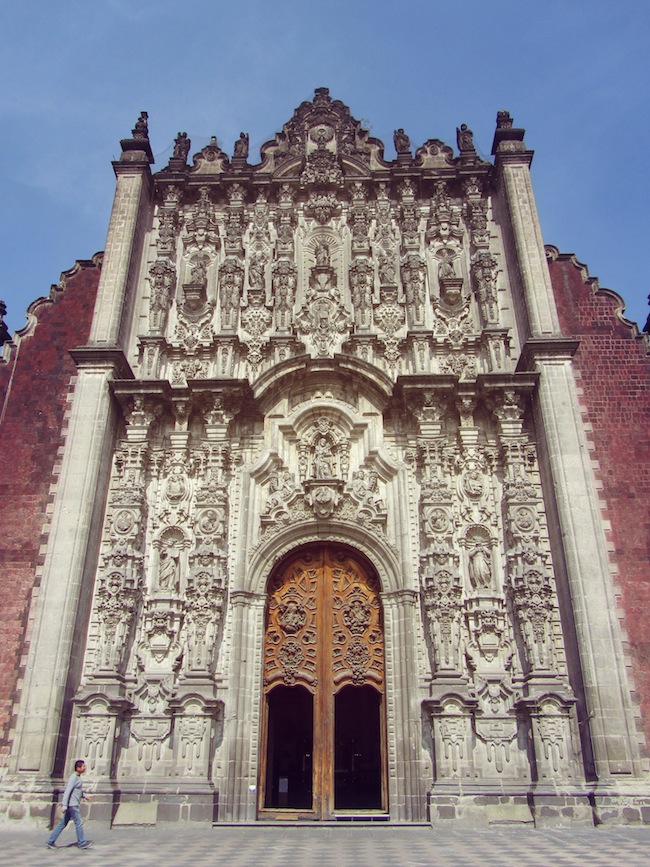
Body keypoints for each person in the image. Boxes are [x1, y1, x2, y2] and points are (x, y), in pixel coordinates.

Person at [45, 759, 93, 849]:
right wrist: (64, 805)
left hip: (72, 804)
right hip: (72, 805)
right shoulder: (73, 778)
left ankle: (50, 841)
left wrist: (84, 796)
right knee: (78, 822)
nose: (85, 768)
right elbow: (68, 791)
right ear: (78, 768)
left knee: (63, 824)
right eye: (83, 766)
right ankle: (82, 843)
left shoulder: (78, 777)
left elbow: (77, 791)